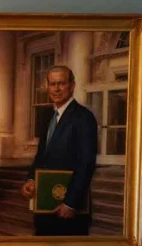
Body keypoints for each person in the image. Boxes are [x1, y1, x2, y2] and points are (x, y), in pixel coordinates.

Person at [20, 65, 98, 236]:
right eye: (52, 84)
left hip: (70, 210)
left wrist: (71, 203)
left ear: (72, 85)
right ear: (47, 86)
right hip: (45, 205)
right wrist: (31, 179)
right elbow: (41, 155)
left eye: (61, 84)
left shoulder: (84, 117)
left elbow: (86, 164)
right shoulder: (47, 115)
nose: (56, 89)